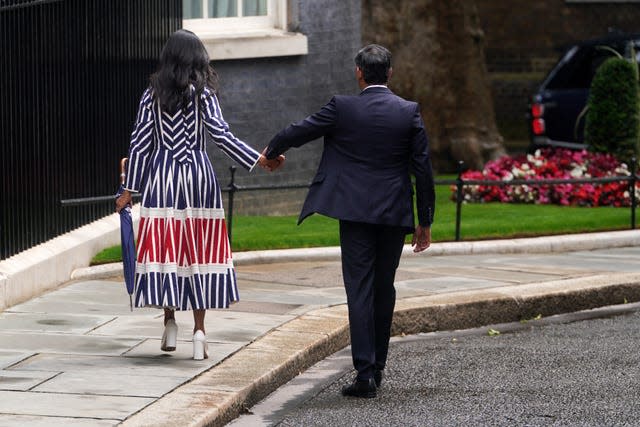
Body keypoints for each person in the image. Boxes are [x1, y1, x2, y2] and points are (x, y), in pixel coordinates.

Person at [263, 44, 435, 398]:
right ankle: (379, 365)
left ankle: (365, 373)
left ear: (359, 72)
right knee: (384, 288)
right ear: (389, 73)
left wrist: (272, 150)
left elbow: (300, 129)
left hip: (355, 213)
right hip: (393, 213)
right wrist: (425, 221)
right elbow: (423, 170)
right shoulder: (408, 112)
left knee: (359, 289)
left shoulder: (342, 107)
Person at [115, 29, 284, 360]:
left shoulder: (152, 95)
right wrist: (259, 160)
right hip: (198, 177)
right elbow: (221, 135)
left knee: (165, 250)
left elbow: (140, 144)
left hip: (162, 177)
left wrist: (128, 190)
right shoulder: (204, 95)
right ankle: (200, 333)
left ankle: (169, 324)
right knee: (200, 251)